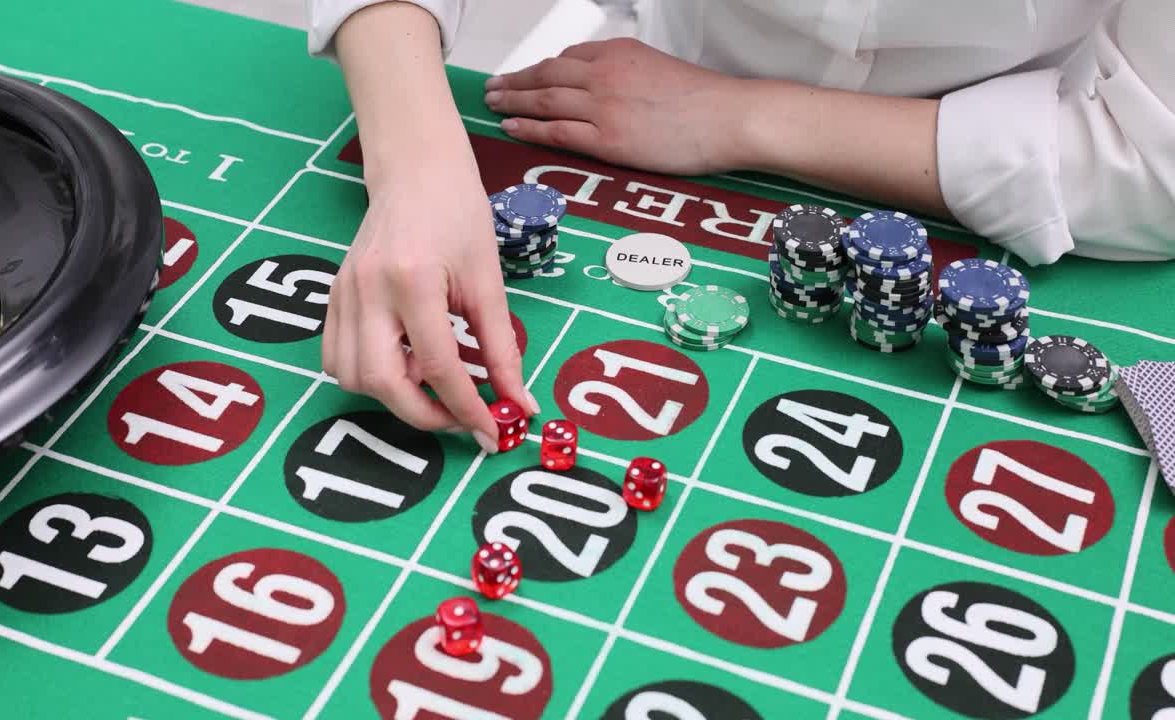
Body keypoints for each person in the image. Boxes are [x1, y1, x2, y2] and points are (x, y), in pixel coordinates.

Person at [308, 0, 1174, 451]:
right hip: (641, 84)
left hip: (998, 157)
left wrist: (736, 116)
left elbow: (1151, 166)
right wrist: (415, 162)